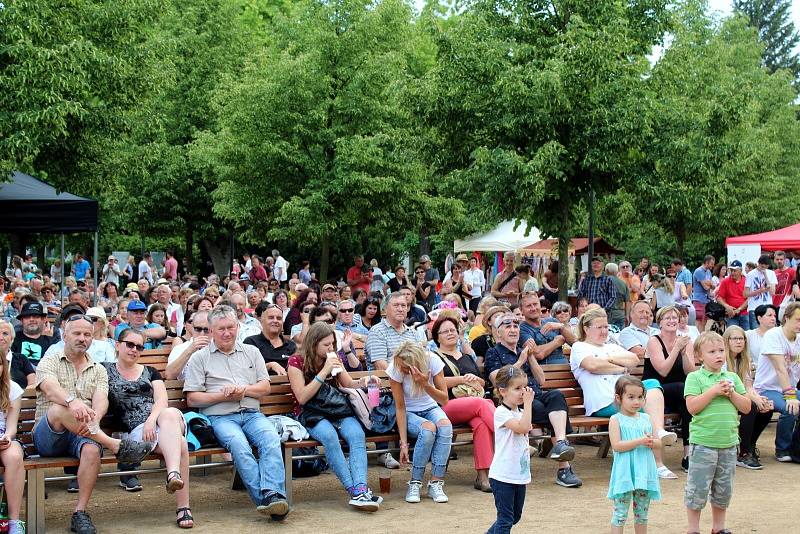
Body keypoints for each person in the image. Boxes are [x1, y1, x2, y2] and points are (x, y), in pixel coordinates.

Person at [33, 315, 154, 534]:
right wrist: (73, 401)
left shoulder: (98, 369)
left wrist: (95, 419)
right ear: (64, 335)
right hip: (49, 436)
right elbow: (50, 388)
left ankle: (80, 513)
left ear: (93, 338)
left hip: (83, 432)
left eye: (87, 334)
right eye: (76, 333)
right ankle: (115, 445)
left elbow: (101, 399)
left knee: (91, 450)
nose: (82, 338)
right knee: (59, 409)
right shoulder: (50, 360)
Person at [183, 305, 289, 520]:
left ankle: (272, 494)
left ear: (238, 327)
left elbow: (265, 387)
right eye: (220, 329)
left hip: (252, 414)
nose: (226, 333)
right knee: (239, 446)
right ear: (211, 331)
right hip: (220, 418)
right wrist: (222, 396)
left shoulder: (251, 352)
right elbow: (192, 398)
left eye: (230, 327)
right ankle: (269, 500)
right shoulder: (200, 358)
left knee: (270, 439)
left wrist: (243, 390)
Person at [571, 307, 679, 479]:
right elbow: (592, 365)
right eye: (599, 327)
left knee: (652, 384)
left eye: (606, 327)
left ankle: (658, 432)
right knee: (645, 413)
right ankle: (658, 464)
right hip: (604, 402)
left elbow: (634, 360)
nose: (604, 331)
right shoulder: (579, 347)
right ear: (586, 328)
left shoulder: (611, 346)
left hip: (628, 397)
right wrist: (620, 368)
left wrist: (609, 360)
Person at [287, 322, 382, 511]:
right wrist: (324, 371)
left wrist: (365, 380)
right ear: (313, 344)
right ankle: (355, 492)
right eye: (326, 345)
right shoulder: (296, 362)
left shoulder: (334, 357)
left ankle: (361, 487)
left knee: (357, 435)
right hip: (311, 413)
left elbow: (348, 383)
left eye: (332, 344)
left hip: (336, 409)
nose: (331, 348)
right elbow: (302, 397)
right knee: (330, 437)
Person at [105, 328, 194, 528]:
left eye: (139, 346)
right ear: (117, 345)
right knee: (180, 444)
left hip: (161, 421)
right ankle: (183, 507)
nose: (134, 349)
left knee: (169, 413)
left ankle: (172, 473)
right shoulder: (105, 370)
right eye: (130, 344)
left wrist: (151, 420)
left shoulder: (150, 371)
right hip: (136, 431)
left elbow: (162, 399)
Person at [484, 312, 582, 487]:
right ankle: (564, 468)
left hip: (535, 395)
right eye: (508, 326)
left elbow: (542, 380)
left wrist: (530, 356)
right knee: (555, 415)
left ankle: (560, 443)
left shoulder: (523, 351)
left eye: (516, 326)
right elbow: (497, 380)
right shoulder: (493, 353)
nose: (513, 330)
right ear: (498, 333)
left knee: (556, 396)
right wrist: (521, 361)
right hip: (516, 403)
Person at [684, 332, 751, 534]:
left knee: (723, 490)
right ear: (699, 356)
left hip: (729, 443)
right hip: (703, 443)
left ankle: (718, 527)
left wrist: (732, 393)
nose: (718, 355)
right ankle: (693, 529)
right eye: (712, 351)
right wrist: (713, 391)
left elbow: (746, 407)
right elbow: (692, 407)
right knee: (697, 489)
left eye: (721, 350)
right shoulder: (695, 378)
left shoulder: (732, 377)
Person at [431, 316, 495, 491]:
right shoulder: (433, 357)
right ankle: (510, 434)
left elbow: (482, 383)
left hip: (471, 406)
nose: (450, 333)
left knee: (481, 423)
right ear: (437, 337)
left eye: (453, 330)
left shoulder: (467, 356)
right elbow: (436, 384)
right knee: (482, 403)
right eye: (445, 331)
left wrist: (475, 380)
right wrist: (462, 380)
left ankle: (483, 477)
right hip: (446, 405)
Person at [389, 342, 452, 504]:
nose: (401, 370)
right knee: (428, 429)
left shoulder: (432, 361)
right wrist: (403, 444)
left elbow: (444, 400)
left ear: (415, 365)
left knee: (445, 425)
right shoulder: (396, 367)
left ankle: (436, 483)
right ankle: (415, 482)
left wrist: (425, 384)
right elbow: (400, 407)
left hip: (431, 407)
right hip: (409, 412)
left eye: (405, 368)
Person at [644, 305, 695, 472]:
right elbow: (663, 371)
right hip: (655, 391)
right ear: (660, 322)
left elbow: (690, 371)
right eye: (667, 318)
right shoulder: (654, 341)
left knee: (688, 404)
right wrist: (675, 349)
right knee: (684, 390)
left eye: (675, 317)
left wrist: (684, 353)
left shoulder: (685, 341)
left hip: (679, 393)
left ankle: (688, 455)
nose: (672, 321)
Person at [607, 376, 661, 534]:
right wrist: (640, 441)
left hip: (644, 473)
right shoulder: (615, 420)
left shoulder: (646, 418)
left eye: (640, 397)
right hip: (625, 473)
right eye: (631, 397)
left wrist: (653, 442)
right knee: (620, 514)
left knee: (642, 515)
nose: (636, 402)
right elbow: (617, 446)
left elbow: (657, 443)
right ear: (619, 398)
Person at [486, 365, 532, 534]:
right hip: (503, 476)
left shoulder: (520, 412)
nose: (523, 392)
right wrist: (528, 404)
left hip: (518, 475)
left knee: (514, 517)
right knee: (505, 520)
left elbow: (525, 425)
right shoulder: (501, 413)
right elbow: (523, 428)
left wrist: (525, 407)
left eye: (524, 387)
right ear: (503, 391)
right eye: (517, 388)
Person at [752, 301, 800, 463]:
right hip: (767, 388)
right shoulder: (773, 335)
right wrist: (790, 395)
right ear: (786, 318)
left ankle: (796, 448)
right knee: (790, 408)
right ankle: (782, 449)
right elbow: (780, 368)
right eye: (798, 320)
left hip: (788, 387)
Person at [721, 327, 773, 470]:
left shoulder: (745, 359)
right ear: (727, 341)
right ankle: (744, 454)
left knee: (766, 409)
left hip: (740, 395)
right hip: (724, 395)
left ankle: (749, 445)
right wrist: (753, 399)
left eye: (741, 338)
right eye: (735, 338)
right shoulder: (722, 359)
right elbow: (732, 387)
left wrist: (759, 398)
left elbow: (748, 386)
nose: (739, 342)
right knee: (750, 407)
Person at [0, 323, 27, 534]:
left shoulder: (13, 389)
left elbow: (11, 426)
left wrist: (7, 437)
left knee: (15, 455)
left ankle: (14, 522)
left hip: (2, 438)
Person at [518, 293, 575, 365]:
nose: (533, 308)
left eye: (535, 304)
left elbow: (575, 343)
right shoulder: (522, 329)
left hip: (565, 369)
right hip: (544, 372)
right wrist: (557, 342)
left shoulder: (553, 321)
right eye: (528, 306)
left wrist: (562, 327)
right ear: (521, 310)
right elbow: (538, 354)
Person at [244, 302, 296, 375]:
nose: (275, 321)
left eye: (279, 318)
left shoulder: (291, 345)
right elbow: (246, 370)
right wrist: (269, 366)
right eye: (271, 317)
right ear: (262, 320)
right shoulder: (251, 342)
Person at [11, 301, 57, 366]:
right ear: (21, 320)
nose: (31, 319)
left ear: (43, 319)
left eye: (35, 316)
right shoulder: (12, 339)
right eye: (27, 316)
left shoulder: (51, 343)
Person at [1, 321, 35, 390]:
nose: (0, 338)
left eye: (5, 333)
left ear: (12, 339)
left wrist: (17, 396)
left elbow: (33, 383)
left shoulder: (21, 359)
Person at [715, 260, 748, 329]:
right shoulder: (725, 281)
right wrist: (727, 306)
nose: (732, 273)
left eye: (735, 270)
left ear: (740, 270)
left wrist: (739, 309)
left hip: (744, 313)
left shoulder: (747, 281)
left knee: (746, 335)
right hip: (731, 314)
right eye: (731, 270)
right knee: (732, 335)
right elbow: (719, 297)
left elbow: (749, 299)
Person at [744, 255, 774, 330]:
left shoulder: (771, 273)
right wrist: (759, 291)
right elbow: (745, 294)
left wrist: (765, 275)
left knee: (769, 334)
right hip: (754, 308)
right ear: (758, 264)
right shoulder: (750, 274)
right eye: (762, 266)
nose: (763, 268)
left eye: (765, 266)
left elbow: (773, 292)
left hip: (768, 307)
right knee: (756, 333)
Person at [691, 255, 715, 331]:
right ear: (707, 262)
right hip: (699, 299)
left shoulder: (708, 272)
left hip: (706, 300)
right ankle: (698, 338)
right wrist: (709, 284)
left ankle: (702, 336)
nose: (713, 265)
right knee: (699, 320)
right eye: (711, 263)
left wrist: (709, 284)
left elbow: (713, 285)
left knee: (704, 320)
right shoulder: (699, 271)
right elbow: (706, 287)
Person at [605, 263, 629, 330]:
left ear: (606, 271)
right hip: (620, 313)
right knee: (619, 336)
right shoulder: (623, 283)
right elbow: (627, 301)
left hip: (607, 313)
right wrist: (627, 315)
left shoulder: (604, 281)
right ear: (617, 271)